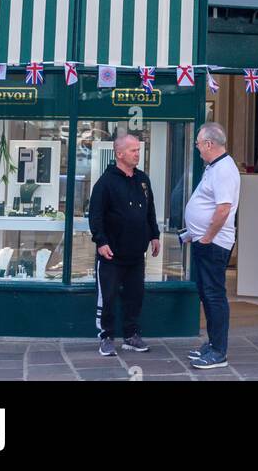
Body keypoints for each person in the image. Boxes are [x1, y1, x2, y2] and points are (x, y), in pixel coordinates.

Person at [88, 133, 161, 358]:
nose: (137, 154)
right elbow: (95, 215)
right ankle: (106, 338)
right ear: (119, 154)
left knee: (135, 296)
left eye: (138, 150)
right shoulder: (106, 182)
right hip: (112, 255)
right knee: (108, 297)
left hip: (136, 254)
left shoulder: (142, 179)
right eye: (133, 150)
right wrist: (101, 241)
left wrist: (155, 235)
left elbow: (150, 210)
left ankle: (131, 336)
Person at [183, 122, 241, 370]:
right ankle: (213, 343)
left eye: (198, 144)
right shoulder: (213, 167)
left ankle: (219, 351)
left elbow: (224, 208)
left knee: (214, 295)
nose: (197, 148)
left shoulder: (224, 170)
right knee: (207, 294)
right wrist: (192, 233)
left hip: (214, 244)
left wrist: (206, 237)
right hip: (204, 240)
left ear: (209, 144)